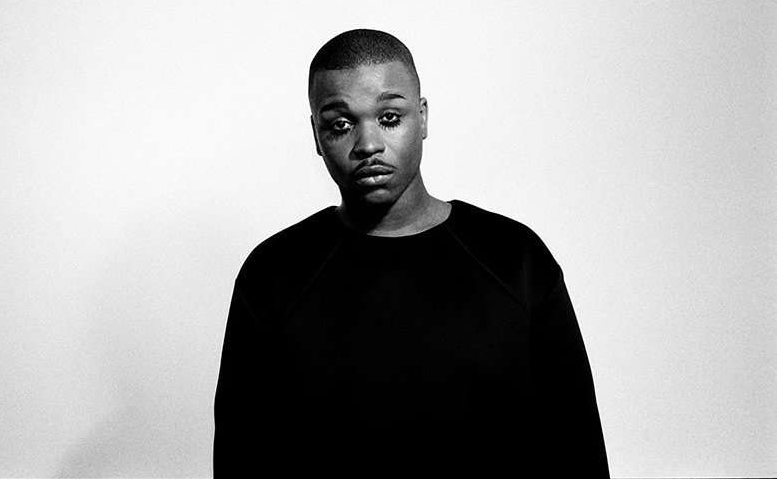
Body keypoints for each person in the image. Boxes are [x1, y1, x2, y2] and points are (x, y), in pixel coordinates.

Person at [214, 29, 609, 477]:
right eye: (341, 124)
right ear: (316, 135)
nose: (368, 145)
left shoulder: (513, 258)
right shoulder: (274, 274)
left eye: (389, 118)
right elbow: (240, 458)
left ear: (422, 118)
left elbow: (577, 446)